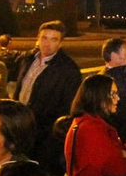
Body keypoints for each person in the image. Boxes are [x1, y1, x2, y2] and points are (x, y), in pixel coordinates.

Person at [13, 21, 83, 166]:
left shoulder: (68, 70)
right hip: (20, 127)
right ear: (37, 39)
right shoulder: (27, 59)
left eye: (54, 39)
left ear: (60, 44)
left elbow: (69, 106)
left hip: (44, 135)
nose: (47, 43)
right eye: (44, 38)